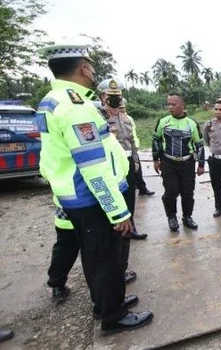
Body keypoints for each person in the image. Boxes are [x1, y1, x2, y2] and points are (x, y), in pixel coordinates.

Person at [37, 44, 152, 334]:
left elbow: (50, 159)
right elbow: (92, 166)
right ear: (84, 68)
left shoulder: (53, 99)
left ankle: (108, 302)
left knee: (96, 256)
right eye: (90, 65)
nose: (92, 70)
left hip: (77, 197)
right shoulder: (75, 107)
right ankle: (112, 316)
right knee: (104, 258)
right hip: (92, 198)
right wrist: (117, 211)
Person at [98, 80, 147, 240]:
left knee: (130, 196)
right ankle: (113, 230)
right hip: (111, 165)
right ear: (102, 97)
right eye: (111, 96)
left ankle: (130, 227)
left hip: (127, 161)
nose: (115, 99)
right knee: (114, 197)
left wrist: (136, 161)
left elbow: (131, 140)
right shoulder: (98, 116)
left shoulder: (124, 117)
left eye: (118, 96)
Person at [152, 93, 205, 231]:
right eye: (168, 104)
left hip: (187, 163)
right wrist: (156, 159)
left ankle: (187, 217)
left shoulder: (192, 123)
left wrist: (201, 164)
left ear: (182, 105)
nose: (170, 107)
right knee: (171, 191)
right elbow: (156, 140)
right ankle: (172, 217)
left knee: (188, 192)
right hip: (168, 163)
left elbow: (199, 144)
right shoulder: (163, 121)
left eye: (173, 104)